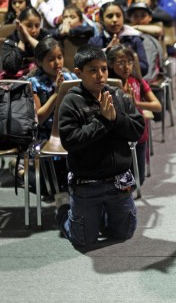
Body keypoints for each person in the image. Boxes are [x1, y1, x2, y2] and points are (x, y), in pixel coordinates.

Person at [55, 44, 144, 247]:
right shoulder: (71, 101)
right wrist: (104, 122)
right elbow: (70, 141)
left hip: (118, 181)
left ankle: (101, 214)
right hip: (87, 183)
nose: (100, 75)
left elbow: (137, 130)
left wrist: (116, 118)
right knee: (84, 240)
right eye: (92, 70)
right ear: (79, 73)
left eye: (103, 69)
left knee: (123, 233)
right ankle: (62, 212)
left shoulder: (118, 96)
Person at [107, 45, 161, 186]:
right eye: (121, 63)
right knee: (121, 180)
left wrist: (136, 103)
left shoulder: (136, 81)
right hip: (118, 137)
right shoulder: (108, 86)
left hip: (138, 134)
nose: (126, 67)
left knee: (138, 180)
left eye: (129, 62)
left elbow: (157, 106)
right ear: (111, 65)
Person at [28, 37, 78, 142]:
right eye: (51, 59)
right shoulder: (33, 83)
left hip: (71, 133)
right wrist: (56, 93)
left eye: (60, 57)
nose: (57, 62)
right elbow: (38, 119)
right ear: (39, 62)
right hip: (45, 137)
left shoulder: (72, 78)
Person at [88, 2, 149, 76]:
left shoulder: (134, 39)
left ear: (123, 17)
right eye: (110, 16)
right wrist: (107, 53)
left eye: (118, 15)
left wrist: (127, 59)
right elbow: (90, 69)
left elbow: (144, 69)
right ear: (101, 20)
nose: (114, 19)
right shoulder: (94, 42)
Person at [1, 7, 50, 79]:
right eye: (29, 26)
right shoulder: (11, 40)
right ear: (19, 25)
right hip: (17, 81)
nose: (34, 30)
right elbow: (10, 69)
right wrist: (22, 42)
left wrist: (29, 38)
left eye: (37, 26)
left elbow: (50, 55)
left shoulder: (44, 35)